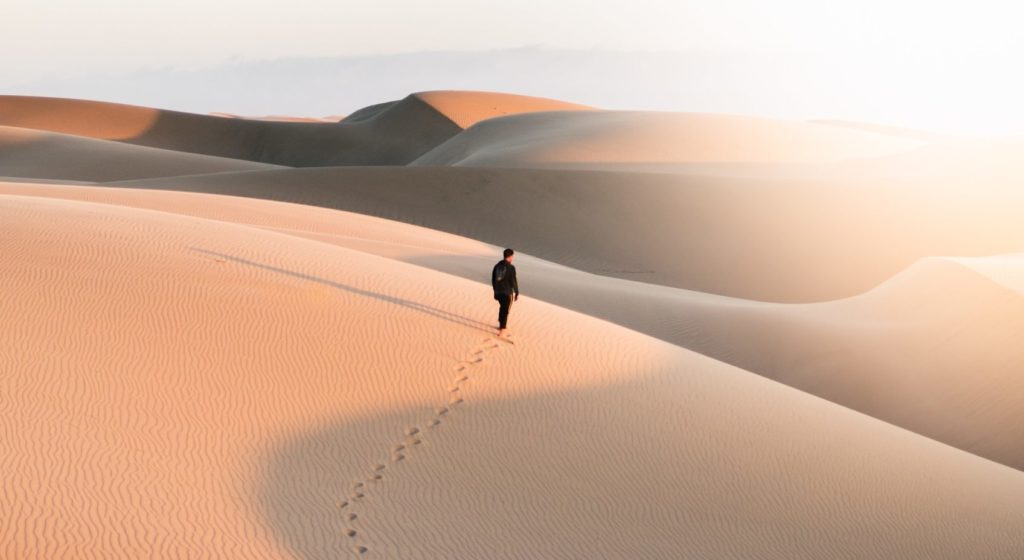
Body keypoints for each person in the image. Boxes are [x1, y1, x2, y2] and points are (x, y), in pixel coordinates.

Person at [491, 248, 519, 336]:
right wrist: (517, 292)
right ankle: (502, 328)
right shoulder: (511, 268)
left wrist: (495, 291)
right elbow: (513, 281)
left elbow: (493, 279)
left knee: (502, 307)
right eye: (512, 256)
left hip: (498, 292)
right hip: (507, 293)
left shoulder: (497, 266)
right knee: (506, 310)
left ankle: (500, 323)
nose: (513, 258)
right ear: (510, 256)